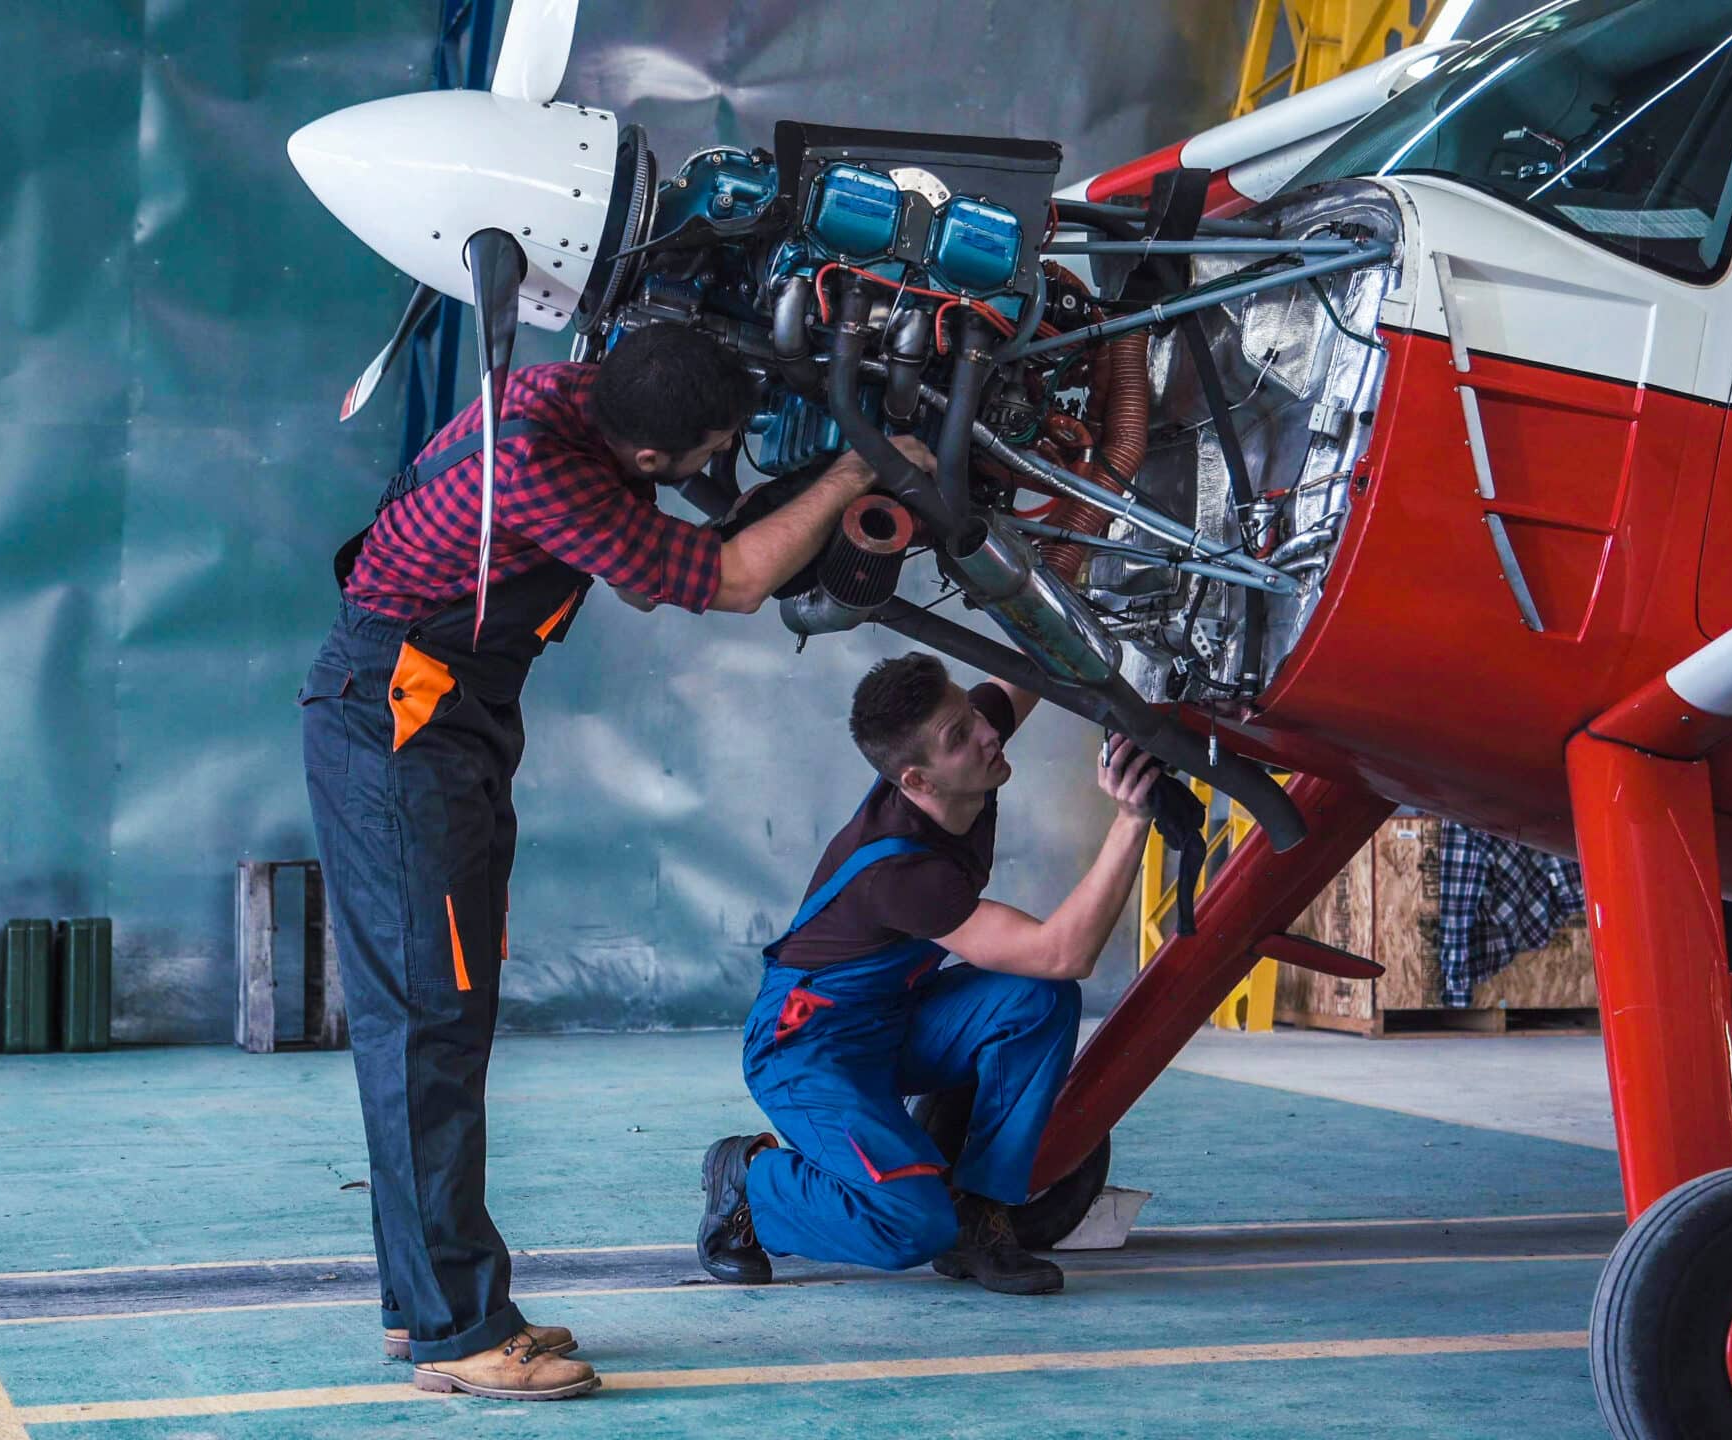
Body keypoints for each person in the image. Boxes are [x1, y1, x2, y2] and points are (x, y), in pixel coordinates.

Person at [300, 321, 931, 1401]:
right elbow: (726, 584)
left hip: (446, 716)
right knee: (427, 1022)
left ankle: (425, 1307)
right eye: (708, 451)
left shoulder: (580, 396)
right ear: (648, 454)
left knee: (441, 1016)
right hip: (400, 726)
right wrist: (858, 470)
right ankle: (458, 1332)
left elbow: (645, 574)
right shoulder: (544, 466)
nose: (712, 467)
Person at [697, 652, 1163, 1296]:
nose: (986, 731)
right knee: (910, 1226)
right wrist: (1134, 817)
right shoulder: (902, 875)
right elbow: (1065, 951)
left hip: (891, 1018)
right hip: (807, 1051)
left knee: (1036, 998)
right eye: (960, 735)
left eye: (970, 712)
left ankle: (981, 1213)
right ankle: (753, 1180)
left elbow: (1031, 664)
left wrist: (1067, 569)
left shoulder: (962, 757)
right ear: (917, 780)